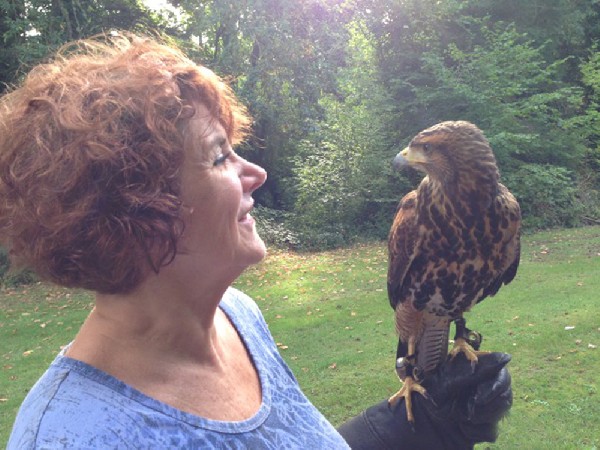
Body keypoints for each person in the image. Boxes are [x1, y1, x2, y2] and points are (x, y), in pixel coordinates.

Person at [1, 33, 512, 449]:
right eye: (219, 156)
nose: (257, 173)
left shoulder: (236, 316)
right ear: (137, 207)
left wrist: (406, 431)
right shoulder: (73, 437)